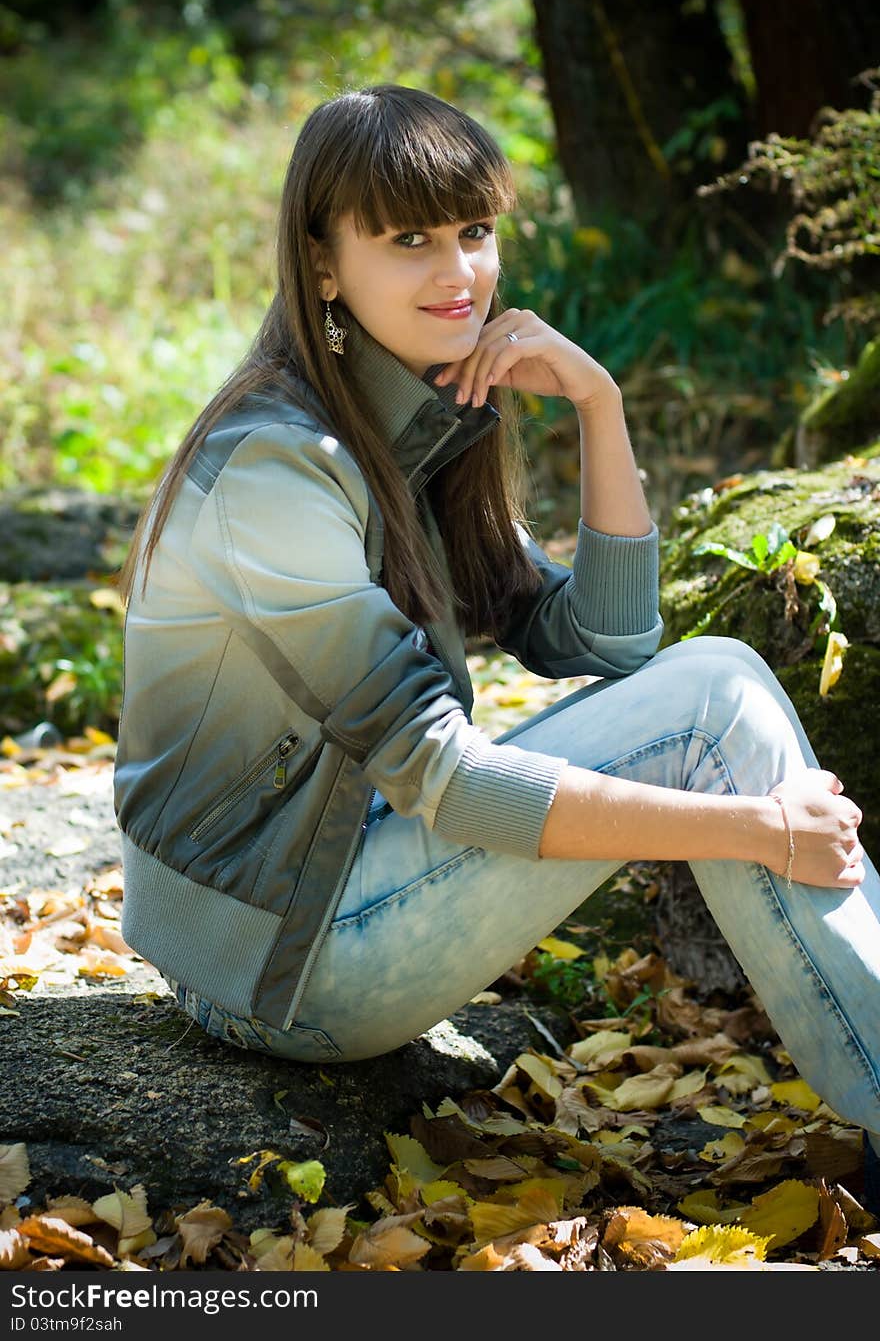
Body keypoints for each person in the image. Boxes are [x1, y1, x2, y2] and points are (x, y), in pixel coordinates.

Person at [112, 84, 879, 1200]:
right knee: (712, 703)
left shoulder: (411, 419)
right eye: (410, 239)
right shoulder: (277, 466)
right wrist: (757, 827)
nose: (459, 271)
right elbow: (443, 777)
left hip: (335, 880)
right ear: (324, 262)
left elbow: (608, 646)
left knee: (715, 677)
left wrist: (598, 404)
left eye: (475, 232)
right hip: (272, 954)